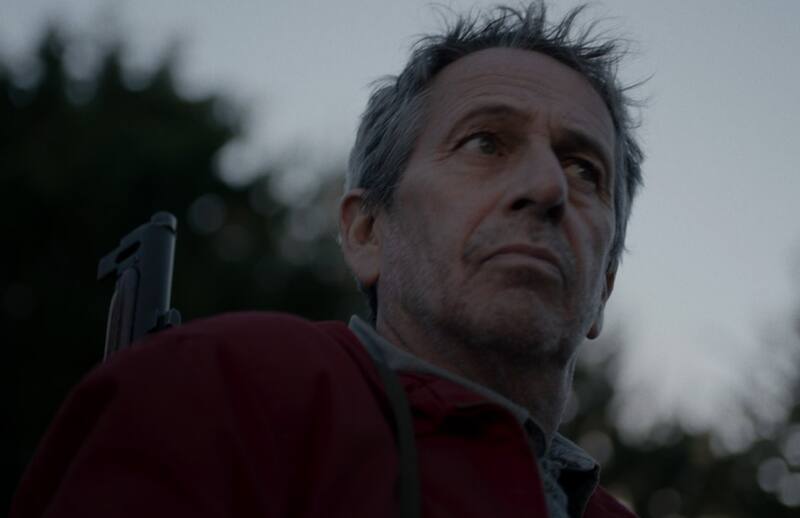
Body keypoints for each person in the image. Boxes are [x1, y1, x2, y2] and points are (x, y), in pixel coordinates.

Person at [12, 2, 644, 517]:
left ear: (605, 287)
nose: (548, 187)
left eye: (584, 170)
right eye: (485, 143)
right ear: (366, 231)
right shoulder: (219, 390)